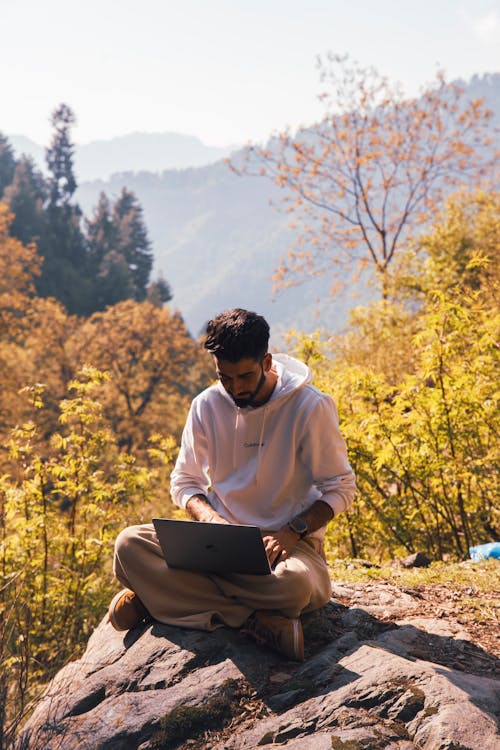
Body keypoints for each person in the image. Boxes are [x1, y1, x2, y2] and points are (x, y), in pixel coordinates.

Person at [108, 308, 355, 661]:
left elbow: (341, 487)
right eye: (226, 377)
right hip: (215, 545)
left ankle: (158, 596)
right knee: (128, 545)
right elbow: (185, 482)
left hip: (286, 550)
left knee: (295, 587)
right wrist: (210, 519)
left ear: (267, 362)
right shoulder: (206, 405)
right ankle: (254, 620)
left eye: (245, 376)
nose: (236, 387)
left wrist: (292, 531)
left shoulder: (309, 407)